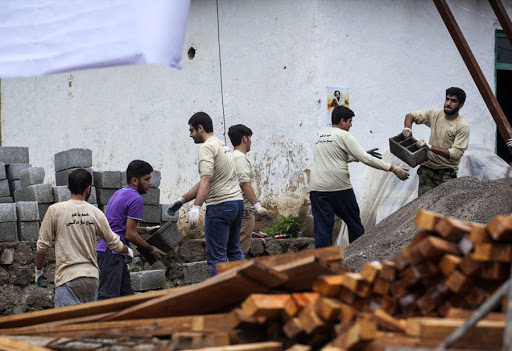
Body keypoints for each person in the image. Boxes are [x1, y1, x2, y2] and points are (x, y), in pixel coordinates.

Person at [310, 106, 409, 248]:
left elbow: (336, 158)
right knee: (353, 222)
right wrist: (393, 168)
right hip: (338, 187)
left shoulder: (321, 136)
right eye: (350, 121)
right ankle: (357, 255)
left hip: (316, 189)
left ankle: (323, 265)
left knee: (322, 229)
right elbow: (366, 159)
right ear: (342, 121)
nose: (351, 125)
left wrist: (356, 157)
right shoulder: (344, 135)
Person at [35, 168, 132, 307]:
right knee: (87, 325)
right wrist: (127, 251)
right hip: (91, 279)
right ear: (88, 189)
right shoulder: (95, 212)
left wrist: (38, 271)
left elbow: (42, 245)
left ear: (68, 188)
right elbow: (113, 242)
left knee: (67, 325)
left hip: (67, 278)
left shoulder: (55, 211)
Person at [168, 112, 244, 276]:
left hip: (220, 206)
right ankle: (247, 288)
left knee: (217, 258)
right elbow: (206, 179)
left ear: (200, 128)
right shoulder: (222, 145)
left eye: (191, 130)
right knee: (234, 251)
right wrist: (182, 200)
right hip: (236, 204)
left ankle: (218, 297)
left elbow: (207, 179)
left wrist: (196, 207)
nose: (190, 135)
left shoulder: (207, 147)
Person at [95, 160, 164, 300]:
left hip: (106, 251)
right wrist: (151, 249)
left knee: (126, 298)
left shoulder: (119, 193)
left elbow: (119, 227)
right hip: (114, 253)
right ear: (134, 180)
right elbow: (130, 234)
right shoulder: (136, 198)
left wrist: (146, 229)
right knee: (107, 300)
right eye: (147, 179)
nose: (150, 183)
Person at [402, 87, 470, 197]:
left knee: (445, 208)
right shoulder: (435, 115)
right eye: (447, 99)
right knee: (424, 206)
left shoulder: (462, 126)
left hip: (446, 172)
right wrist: (407, 128)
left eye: (453, 101)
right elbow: (411, 115)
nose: (448, 103)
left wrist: (429, 147)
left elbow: (456, 153)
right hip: (427, 170)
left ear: (461, 105)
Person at [227, 124, 269, 255]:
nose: (250, 142)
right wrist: (258, 206)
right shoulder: (240, 158)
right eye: (250, 138)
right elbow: (245, 184)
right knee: (240, 251)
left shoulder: (229, 157)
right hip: (244, 211)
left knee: (233, 250)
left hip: (235, 208)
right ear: (245, 138)